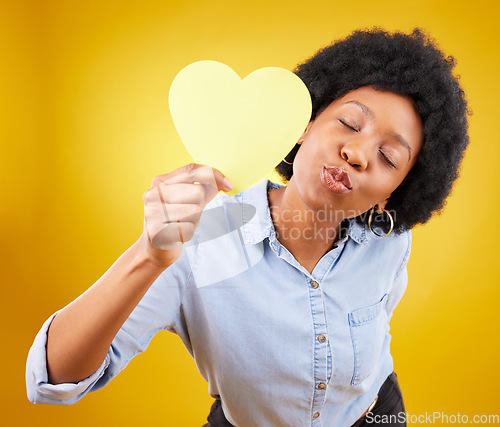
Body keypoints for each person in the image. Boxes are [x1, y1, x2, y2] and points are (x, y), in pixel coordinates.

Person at [26, 27, 469, 426]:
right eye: (349, 123)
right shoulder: (200, 239)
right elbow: (53, 380)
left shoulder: (391, 242)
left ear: (392, 192)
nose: (357, 153)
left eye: (389, 157)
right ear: (304, 125)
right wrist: (149, 253)